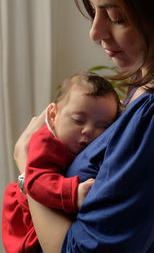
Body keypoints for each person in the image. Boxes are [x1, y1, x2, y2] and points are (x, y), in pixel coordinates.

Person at [5, 0, 154, 252]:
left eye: (116, 16)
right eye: (93, 9)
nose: (95, 32)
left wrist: (27, 167)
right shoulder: (143, 92)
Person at [2, 72, 120, 253]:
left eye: (103, 125)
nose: (88, 130)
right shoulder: (45, 142)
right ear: (52, 115)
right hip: (26, 225)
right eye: (78, 120)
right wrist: (74, 193)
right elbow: (35, 181)